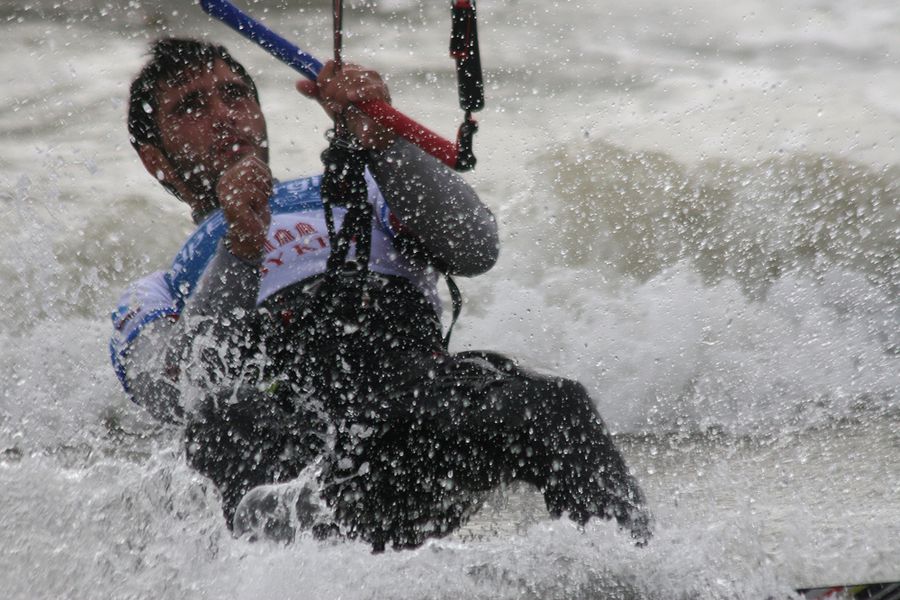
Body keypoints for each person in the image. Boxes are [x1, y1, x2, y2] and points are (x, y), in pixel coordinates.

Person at [110, 37, 650, 551]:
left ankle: (634, 570)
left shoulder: (365, 187)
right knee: (223, 418)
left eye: (235, 95)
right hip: (294, 461)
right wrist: (242, 245)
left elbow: (476, 248)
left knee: (556, 404)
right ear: (155, 160)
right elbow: (177, 387)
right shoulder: (159, 289)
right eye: (191, 106)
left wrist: (385, 144)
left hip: (413, 414)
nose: (224, 115)